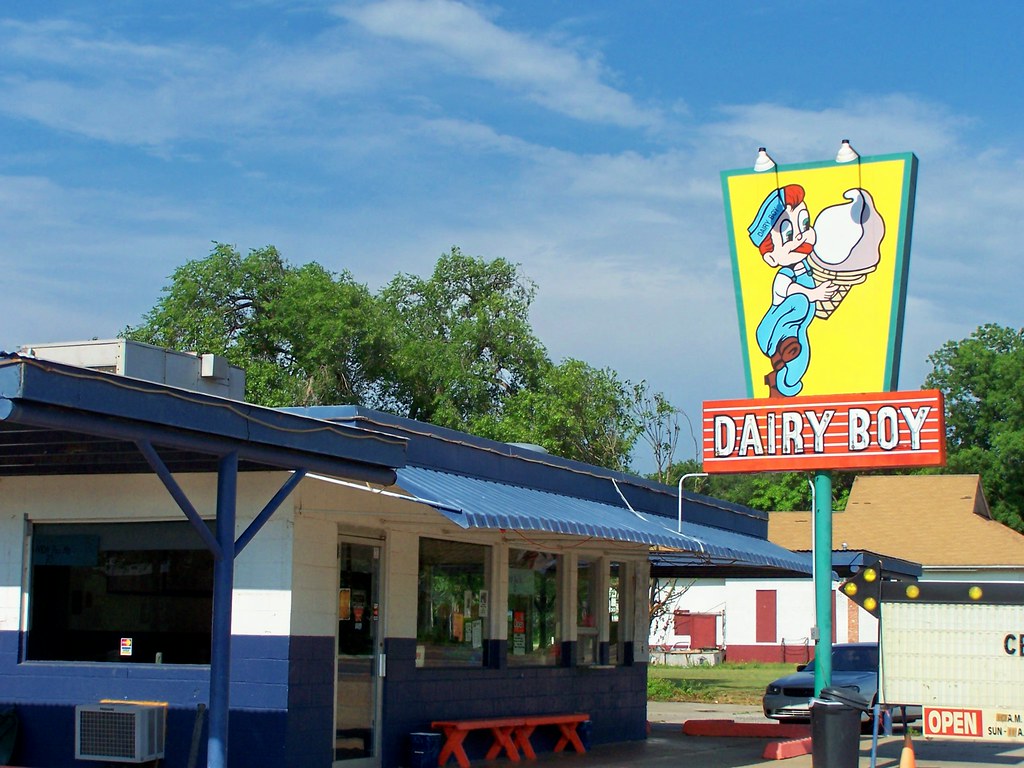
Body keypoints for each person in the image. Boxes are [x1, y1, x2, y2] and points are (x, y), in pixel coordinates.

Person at [747, 184, 837, 398]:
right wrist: (814, 294)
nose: (800, 237)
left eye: (805, 224)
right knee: (800, 301)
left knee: (801, 361)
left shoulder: (806, 266)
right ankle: (783, 347)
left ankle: (782, 381)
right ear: (770, 258)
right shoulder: (785, 274)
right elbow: (785, 289)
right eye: (788, 235)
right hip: (772, 330)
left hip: (798, 329)